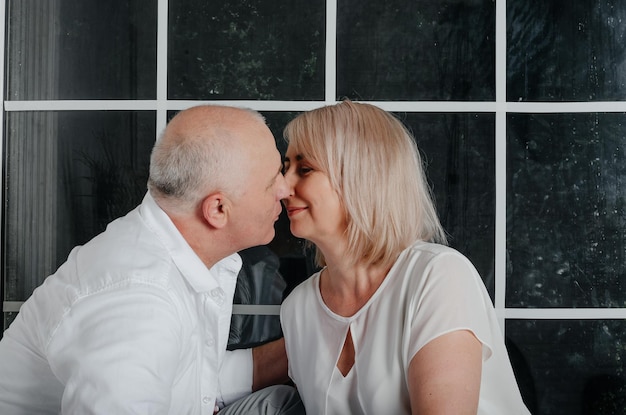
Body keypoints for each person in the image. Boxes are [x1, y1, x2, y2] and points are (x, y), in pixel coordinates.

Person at [0, 105, 304, 415]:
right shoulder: (138, 304)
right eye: (272, 180)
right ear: (217, 210)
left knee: (279, 403)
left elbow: (193, 378)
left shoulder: (177, 251)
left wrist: (311, 347)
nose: (285, 189)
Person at [280, 100, 531, 414]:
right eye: (284, 168)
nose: (281, 186)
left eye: (304, 169)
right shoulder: (297, 308)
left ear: (362, 177)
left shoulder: (438, 276)